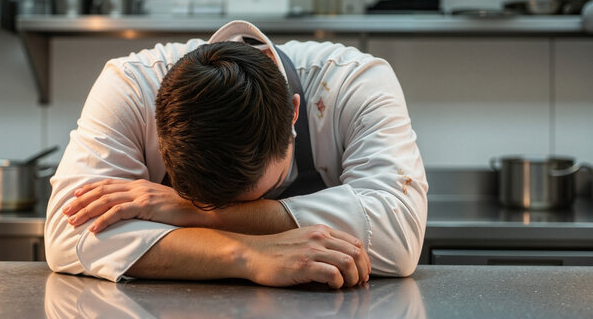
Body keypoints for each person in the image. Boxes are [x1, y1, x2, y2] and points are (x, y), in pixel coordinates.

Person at [45, 20, 428, 289]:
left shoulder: (352, 82)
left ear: (293, 114)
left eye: (254, 194)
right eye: (197, 198)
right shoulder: (132, 86)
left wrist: (186, 211)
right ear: (158, 127)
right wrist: (248, 254)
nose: (223, 210)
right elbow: (68, 235)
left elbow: (396, 234)